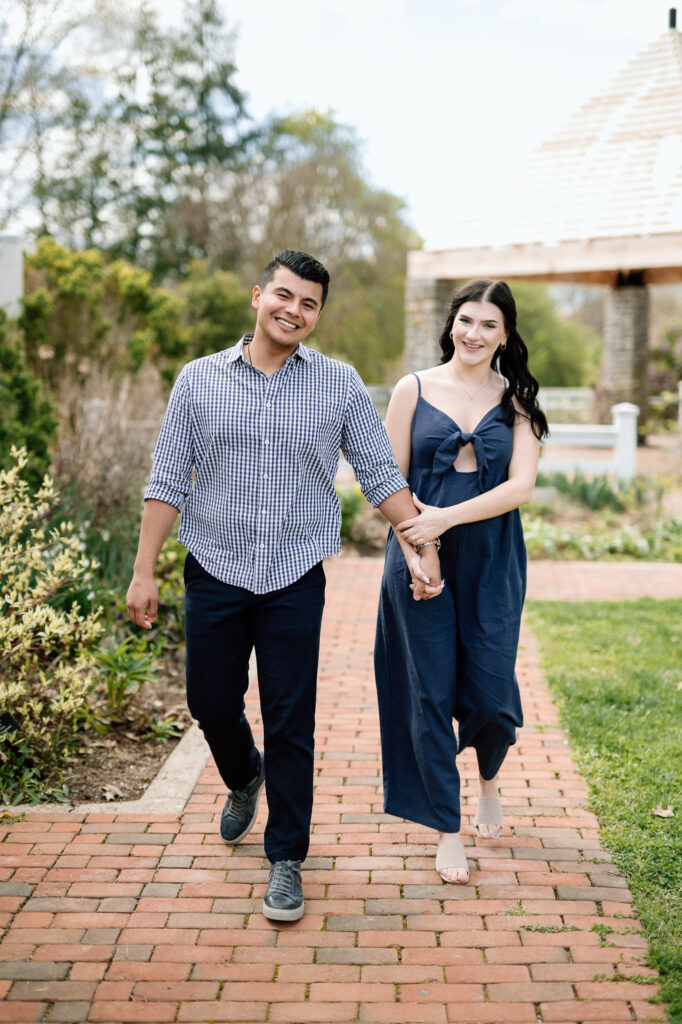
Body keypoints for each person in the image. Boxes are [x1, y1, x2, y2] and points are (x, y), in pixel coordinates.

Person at [126, 250, 442, 922]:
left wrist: (422, 546)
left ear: (318, 314)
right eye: (284, 296)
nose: (294, 311)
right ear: (257, 295)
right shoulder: (198, 381)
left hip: (295, 573)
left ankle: (287, 858)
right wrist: (143, 569)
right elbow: (167, 481)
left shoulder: (339, 385)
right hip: (213, 566)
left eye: (309, 303)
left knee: (291, 717)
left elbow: (381, 476)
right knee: (210, 700)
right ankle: (244, 774)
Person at [374, 278, 548, 884]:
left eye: (489, 325)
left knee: (492, 688)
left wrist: (444, 519)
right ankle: (447, 828)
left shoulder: (518, 398)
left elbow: (520, 487)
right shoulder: (412, 389)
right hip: (417, 552)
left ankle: (490, 785)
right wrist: (420, 548)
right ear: (452, 324)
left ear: (506, 335)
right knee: (429, 691)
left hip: (493, 557)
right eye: (467, 321)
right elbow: (389, 484)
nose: (475, 334)